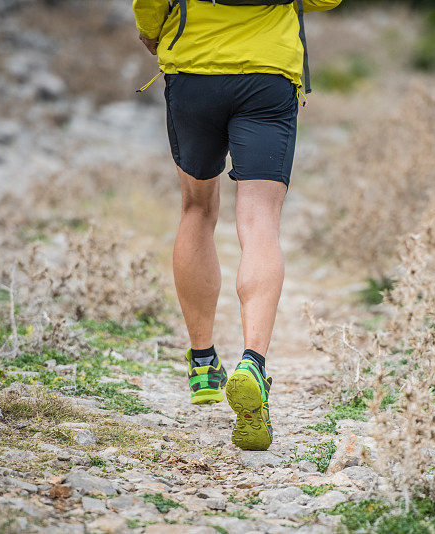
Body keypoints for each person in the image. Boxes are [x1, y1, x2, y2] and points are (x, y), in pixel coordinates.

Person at [132, 0, 342, 451]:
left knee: (196, 210)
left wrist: (151, 31)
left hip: (194, 73)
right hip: (267, 76)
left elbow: (150, 4)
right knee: (260, 220)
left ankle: (204, 362)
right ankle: (253, 362)